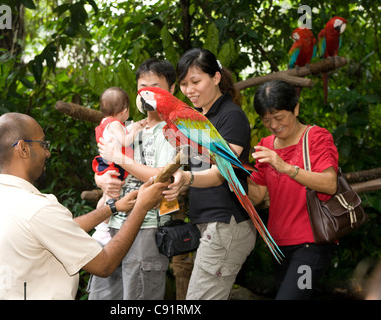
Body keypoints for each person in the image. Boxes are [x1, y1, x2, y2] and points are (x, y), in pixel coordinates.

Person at [0, 112, 169, 300]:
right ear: (23, 149)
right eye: (43, 144)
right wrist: (141, 207)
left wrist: (113, 207)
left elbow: (60, 229)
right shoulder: (37, 210)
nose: (47, 152)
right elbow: (104, 264)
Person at [87, 58, 180, 300]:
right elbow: (103, 163)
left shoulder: (172, 131)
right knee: (104, 294)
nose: (148, 93)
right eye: (143, 88)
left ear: (172, 89)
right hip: (113, 223)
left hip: (147, 227)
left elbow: (162, 177)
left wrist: (120, 157)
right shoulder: (125, 126)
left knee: (138, 296)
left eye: (156, 87)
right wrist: (102, 181)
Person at [170, 48, 257, 300]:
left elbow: (220, 174)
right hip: (207, 226)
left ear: (216, 78)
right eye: (184, 84)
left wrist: (186, 178)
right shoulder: (199, 119)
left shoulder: (231, 117)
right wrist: (180, 183)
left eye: (196, 81)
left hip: (226, 224)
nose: (189, 90)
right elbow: (198, 171)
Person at [248, 80, 339, 299]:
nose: (273, 125)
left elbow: (330, 184)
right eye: (266, 120)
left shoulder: (316, 137)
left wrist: (286, 167)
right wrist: (232, 176)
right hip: (279, 245)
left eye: (279, 117)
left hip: (312, 245)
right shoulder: (266, 144)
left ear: (295, 108)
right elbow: (258, 196)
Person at [91, 87, 147, 245]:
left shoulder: (105, 122)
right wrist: (135, 129)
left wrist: (134, 126)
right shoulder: (115, 124)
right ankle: (102, 230)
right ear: (124, 110)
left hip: (105, 162)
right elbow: (125, 141)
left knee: (105, 195)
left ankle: (98, 225)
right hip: (113, 164)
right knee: (112, 196)